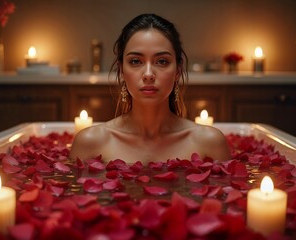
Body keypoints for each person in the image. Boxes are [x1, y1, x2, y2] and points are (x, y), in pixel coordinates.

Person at [69, 13, 230, 163]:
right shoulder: (90, 143)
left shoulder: (210, 143)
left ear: (178, 71)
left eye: (161, 61)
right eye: (135, 61)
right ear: (121, 70)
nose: (148, 74)